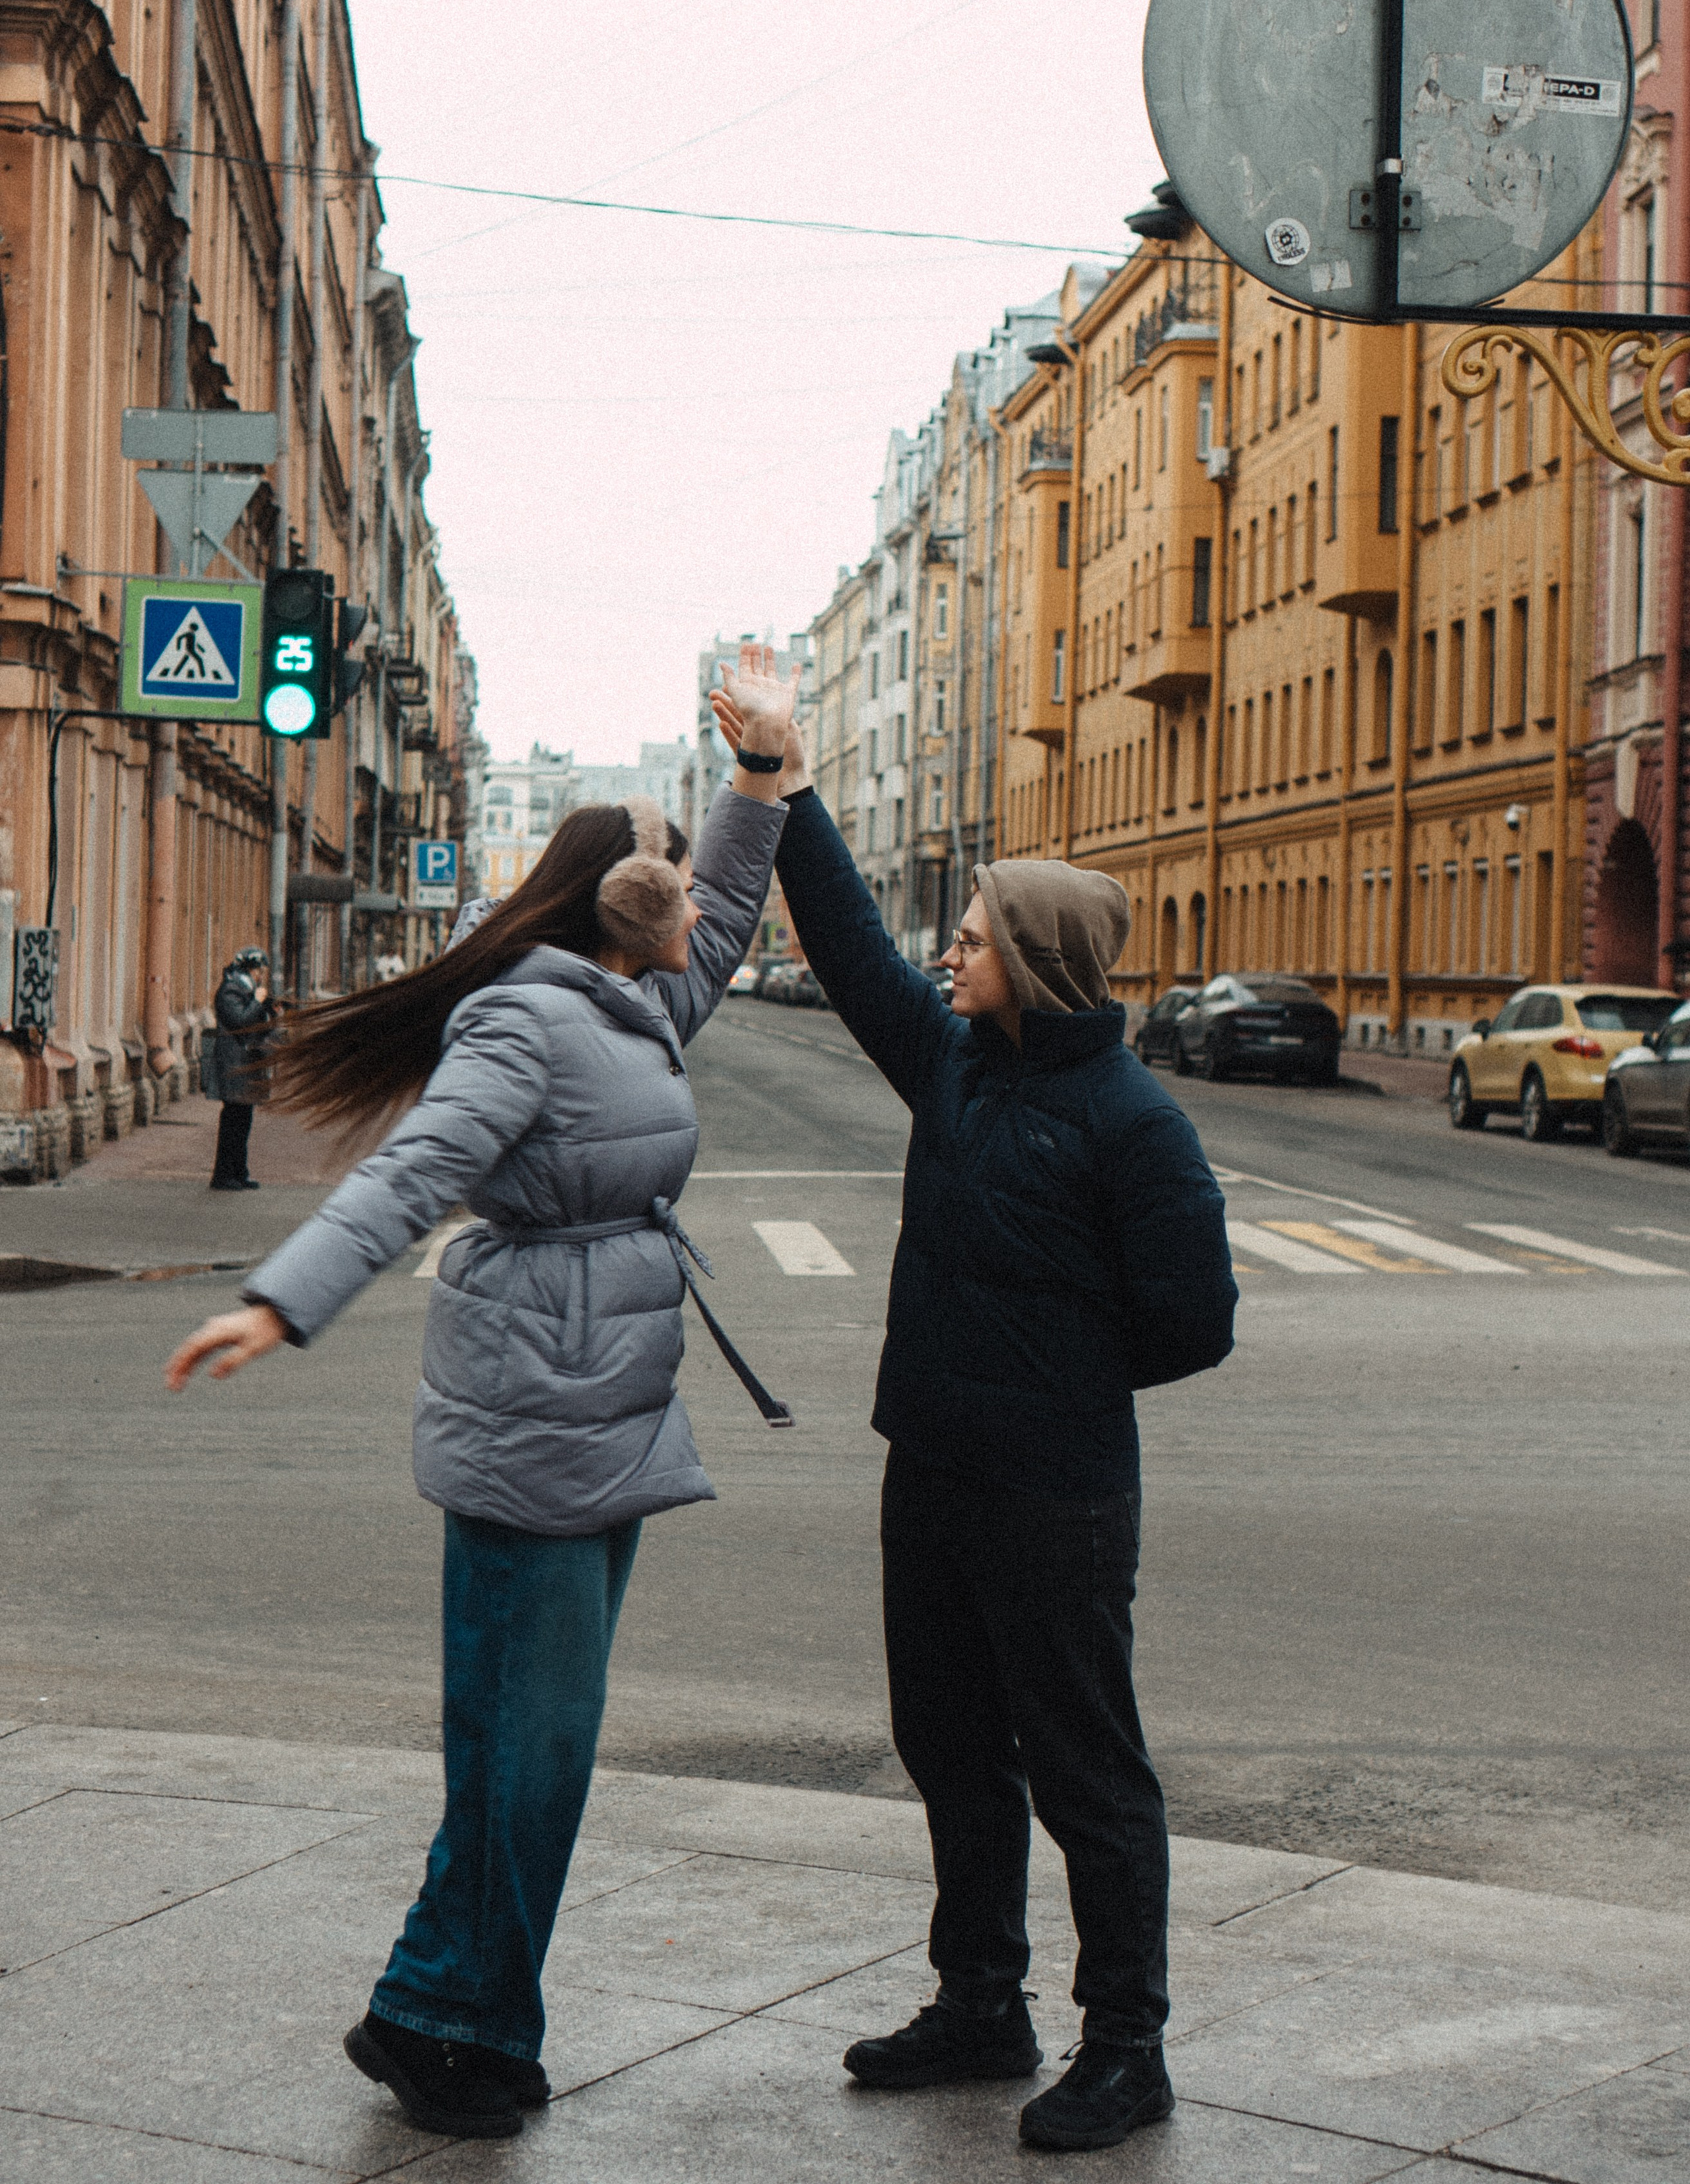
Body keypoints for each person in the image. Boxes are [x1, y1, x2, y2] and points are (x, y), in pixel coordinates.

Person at [164, 647, 799, 2143]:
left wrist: (759, 780)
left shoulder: (636, 1009)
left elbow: (726, 907)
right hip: (535, 1405)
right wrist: (281, 1298)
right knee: (526, 1746)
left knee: (538, 1750)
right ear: (616, 904)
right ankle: (446, 2016)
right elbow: (414, 1174)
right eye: (669, 877)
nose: (693, 902)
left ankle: (450, 2010)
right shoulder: (529, 1019)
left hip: (608, 1404)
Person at [712, 688, 1237, 2155]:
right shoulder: (949, 1067)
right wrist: (784, 786)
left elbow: (1193, 1324)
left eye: (974, 936)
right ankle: (979, 2005)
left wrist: (1049, 1375)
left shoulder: (1137, 1126)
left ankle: (1125, 2046)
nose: (947, 952)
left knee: (1086, 1771)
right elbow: (853, 951)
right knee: (946, 1742)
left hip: (1055, 1495)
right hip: (929, 1470)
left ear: (1036, 964)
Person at [206, 947, 273, 1191]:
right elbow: (240, 1022)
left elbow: (256, 1023)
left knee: (244, 1121)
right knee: (233, 1122)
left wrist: (270, 1011)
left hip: (246, 1064)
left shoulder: (247, 991)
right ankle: (223, 1175)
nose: (261, 975)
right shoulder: (229, 991)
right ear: (248, 969)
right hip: (234, 1064)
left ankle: (239, 1172)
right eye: (258, 970)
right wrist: (257, 1002)